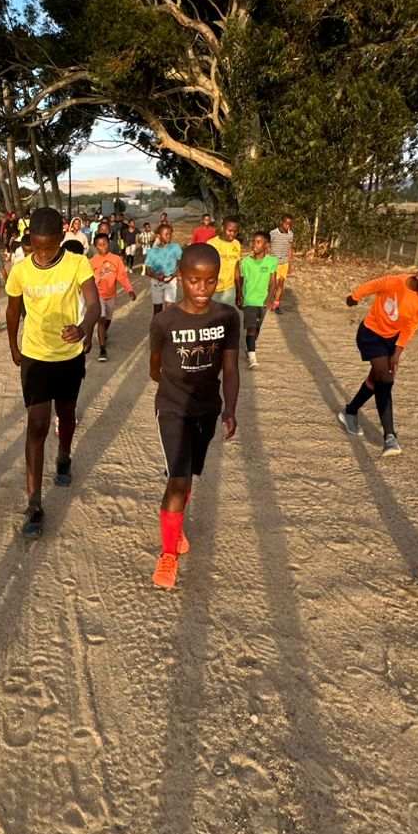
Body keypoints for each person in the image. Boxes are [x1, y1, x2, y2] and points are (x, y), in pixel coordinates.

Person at [5, 207, 101, 539]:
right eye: (36, 247)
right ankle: (34, 503)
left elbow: (94, 304)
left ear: (61, 238)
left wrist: (83, 329)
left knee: (67, 413)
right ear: (29, 241)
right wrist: (13, 346)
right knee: (37, 424)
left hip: (69, 356)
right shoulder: (20, 270)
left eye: (49, 248)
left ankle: (63, 456)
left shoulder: (77, 263)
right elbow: (13, 311)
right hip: (35, 356)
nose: (43, 255)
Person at [149, 243, 239, 589]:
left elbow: (230, 368)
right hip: (172, 408)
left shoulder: (227, 317)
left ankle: (176, 526)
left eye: (210, 281)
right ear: (180, 276)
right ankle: (168, 554)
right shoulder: (164, 321)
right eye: (193, 280)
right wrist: (176, 387)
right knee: (178, 480)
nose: (202, 289)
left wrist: (229, 408)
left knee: (189, 477)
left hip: (208, 409)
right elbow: (155, 369)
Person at [337, 255, 418, 457]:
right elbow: (371, 286)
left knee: (375, 381)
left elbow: (414, 322)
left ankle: (350, 412)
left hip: (392, 339)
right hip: (371, 334)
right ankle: (390, 436)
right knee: (386, 379)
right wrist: (354, 297)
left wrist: (398, 350)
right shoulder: (394, 282)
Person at [88, 231, 137, 362]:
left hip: (111, 295)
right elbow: (87, 280)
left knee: (108, 319)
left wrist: (129, 290)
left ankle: (103, 333)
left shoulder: (116, 259)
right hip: (98, 295)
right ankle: (102, 349)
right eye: (99, 245)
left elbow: (122, 276)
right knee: (101, 318)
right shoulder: (92, 262)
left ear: (109, 244)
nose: (103, 247)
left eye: (105, 244)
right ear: (95, 247)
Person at [238, 231, 279, 368]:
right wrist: (240, 295)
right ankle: (252, 358)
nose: (254, 245)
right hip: (249, 300)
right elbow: (241, 280)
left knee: (257, 328)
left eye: (258, 242)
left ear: (266, 245)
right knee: (251, 328)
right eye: (253, 241)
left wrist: (269, 298)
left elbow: (272, 282)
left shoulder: (271, 262)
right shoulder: (246, 262)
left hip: (262, 301)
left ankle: (249, 348)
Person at [144, 221, 183, 314]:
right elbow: (147, 271)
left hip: (171, 281)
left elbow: (181, 262)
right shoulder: (152, 252)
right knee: (157, 310)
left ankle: (169, 323)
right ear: (158, 236)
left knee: (170, 310)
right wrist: (156, 276)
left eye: (170, 234)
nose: (169, 236)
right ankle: (157, 323)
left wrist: (174, 275)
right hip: (156, 283)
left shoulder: (175, 247)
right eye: (166, 234)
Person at [206, 217, 243, 307]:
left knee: (226, 314)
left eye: (235, 231)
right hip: (212, 288)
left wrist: (239, 291)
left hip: (229, 288)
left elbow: (236, 268)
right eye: (229, 231)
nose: (232, 234)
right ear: (223, 228)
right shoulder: (211, 244)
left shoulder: (237, 244)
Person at [268, 215, 295, 313]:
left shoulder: (290, 234)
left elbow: (289, 248)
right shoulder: (273, 233)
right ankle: (267, 302)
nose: (288, 226)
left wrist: (290, 262)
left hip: (284, 263)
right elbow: (268, 246)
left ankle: (276, 305)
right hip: (274, 263)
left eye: (290, 224)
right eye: (286, 224)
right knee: (273, 284)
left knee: (281, 284)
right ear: (281, 222)